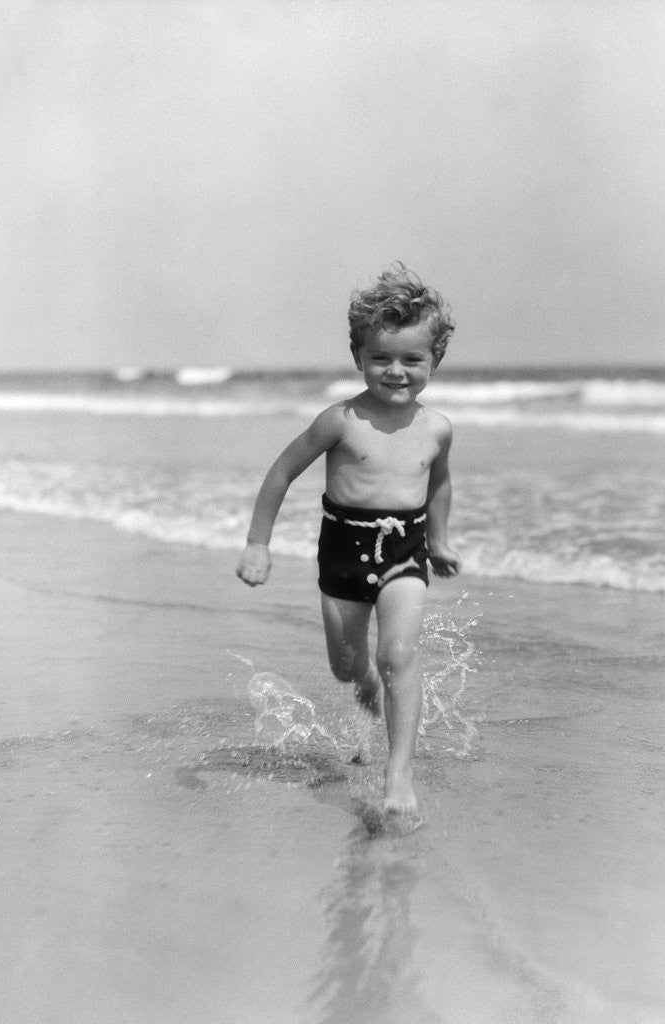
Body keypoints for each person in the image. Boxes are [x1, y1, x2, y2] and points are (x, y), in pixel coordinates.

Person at [236, 263, 461, 823]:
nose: (396, 371)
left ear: (434, 361)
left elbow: (438, 482)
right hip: (342, 550)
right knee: (347, 665)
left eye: (412, 359)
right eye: (381, 358)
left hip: (404, 552)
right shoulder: (339, 420)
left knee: (399, 655)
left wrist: (439, 539)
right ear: (359, 357)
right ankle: (364, 689)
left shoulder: (437, 428)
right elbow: (281, 473)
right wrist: (258, 544)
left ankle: (399, 775)